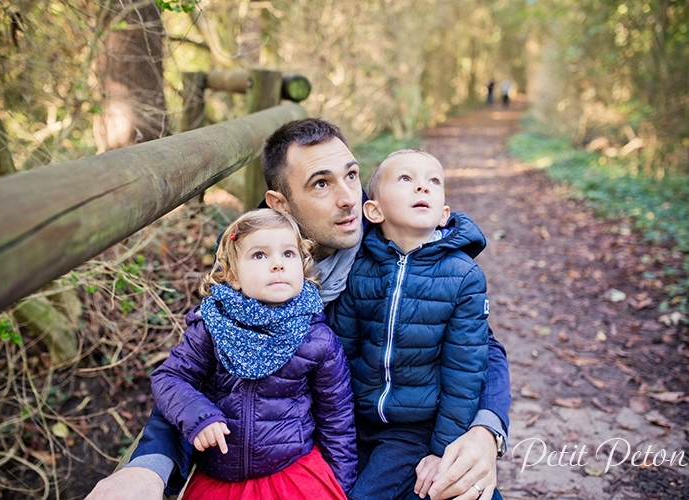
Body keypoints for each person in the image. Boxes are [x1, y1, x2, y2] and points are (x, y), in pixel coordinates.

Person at [85, 118, 511, 500]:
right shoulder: (257, 263)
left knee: (464, 490)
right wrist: (148, 466)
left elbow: (479, 345)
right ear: (280, 204)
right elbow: (206, 366)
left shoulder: (385, 233)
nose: (348, 198)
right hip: (300, 444)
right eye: (321, 184)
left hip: (399, 430)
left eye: (351, 175)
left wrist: (484, 431)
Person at [150, 209, 357, 499]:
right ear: (233, 276)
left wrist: (339, 484)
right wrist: (198, 416)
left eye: (289, 254)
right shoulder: (212, 325)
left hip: (292, 471)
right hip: (220, 476)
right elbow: (169, 376)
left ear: (303, 266)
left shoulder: (317, 339)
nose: (277, 265)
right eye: (260, 255)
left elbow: (337, 420)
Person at [331, 149, 495, 500]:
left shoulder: (463, 275)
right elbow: (341, 349)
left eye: (433, 181)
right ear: (373, 210)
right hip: (356, 418)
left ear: (443, 214)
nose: (423, 187)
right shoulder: (359, 268)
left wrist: (442, 449)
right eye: (406, 179)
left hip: (414, 426)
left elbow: (464, 370)